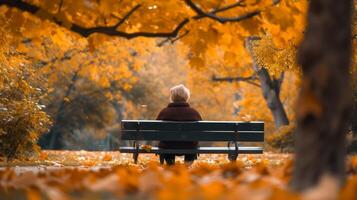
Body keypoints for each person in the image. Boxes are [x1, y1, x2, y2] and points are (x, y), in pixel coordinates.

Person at [156, 84, 202, 165]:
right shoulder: (194, 113)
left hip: (168, 145)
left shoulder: (164, 112)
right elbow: (201, 130)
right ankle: (187, 165)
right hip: (189, 146)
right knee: (191, 143)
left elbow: (156, 129)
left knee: (167, 143)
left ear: (172, 97)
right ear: (186, 97)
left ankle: (170, 164)